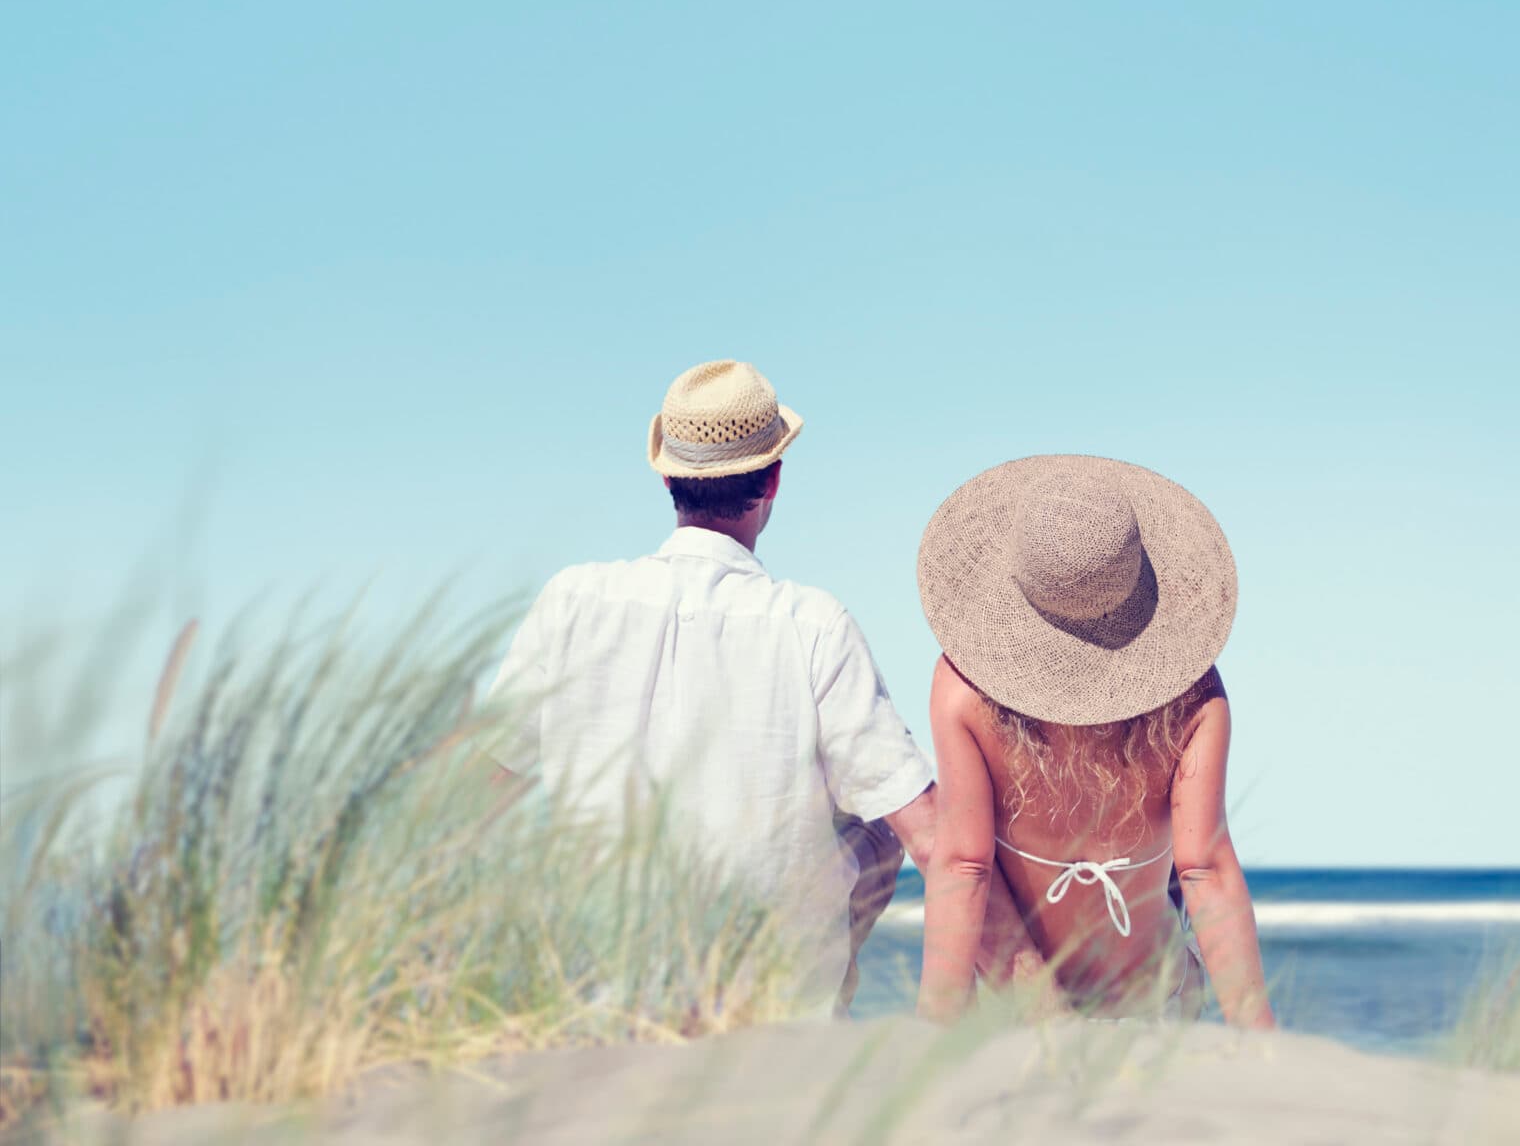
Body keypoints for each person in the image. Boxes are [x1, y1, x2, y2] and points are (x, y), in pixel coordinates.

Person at [486, 359, 1031, 1009]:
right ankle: (820, 991)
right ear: (774, 478)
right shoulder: (812, 624)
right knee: (875, 825)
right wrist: (1029, 985)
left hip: (598, 995)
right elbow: (931, 836)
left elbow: (473, 796)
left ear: (666, 475)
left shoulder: (571, 601)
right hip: (772, 1005)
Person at [914, 454, 1274, 1028]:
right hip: (1153, 997)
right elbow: (1204, 869)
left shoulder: (962, 692)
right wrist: (1260, 1039)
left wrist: (934, 1031)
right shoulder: (1194, 694)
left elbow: (962, 866)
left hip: (1025, 1012)